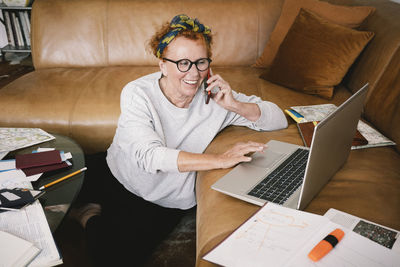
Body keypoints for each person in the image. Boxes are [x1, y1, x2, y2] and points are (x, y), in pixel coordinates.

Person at [74, 14, 287, 266]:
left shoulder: (216, 97)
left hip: (160, 201)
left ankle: (88, 215)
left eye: (201, 62)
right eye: (183, 63)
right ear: (162, 64)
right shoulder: (138, 92)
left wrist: (236, 105)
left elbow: (278, 119)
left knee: (109, 257)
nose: (194, 73)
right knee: (37, 182)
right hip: (116, 172)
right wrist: (219, 160)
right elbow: (148, 155)